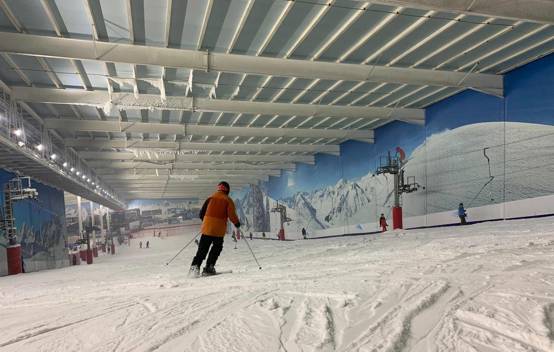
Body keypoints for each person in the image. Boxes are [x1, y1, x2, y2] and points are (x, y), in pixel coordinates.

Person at [189, 181, 240, 277]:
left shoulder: (210, 198)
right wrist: (237, 224)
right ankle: (209, 267)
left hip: (207, 229)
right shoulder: (227, 200)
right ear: (227, 190)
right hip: (218, 231)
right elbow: (231, 214)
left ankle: (194, 268)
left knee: (202, 249)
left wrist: (207, 223)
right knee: (216, 248)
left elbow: (201, 214)